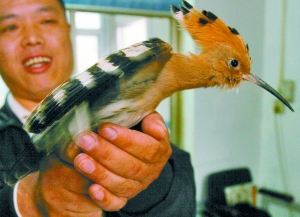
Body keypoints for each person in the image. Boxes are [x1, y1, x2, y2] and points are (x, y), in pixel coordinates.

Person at [0, 0, 196, 216]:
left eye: (47, 20)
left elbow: (183, 201)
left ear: (68, 31)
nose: (32, 39)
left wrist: (146, 177)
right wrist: (26, 202)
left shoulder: (134, 120)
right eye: (10, 27)